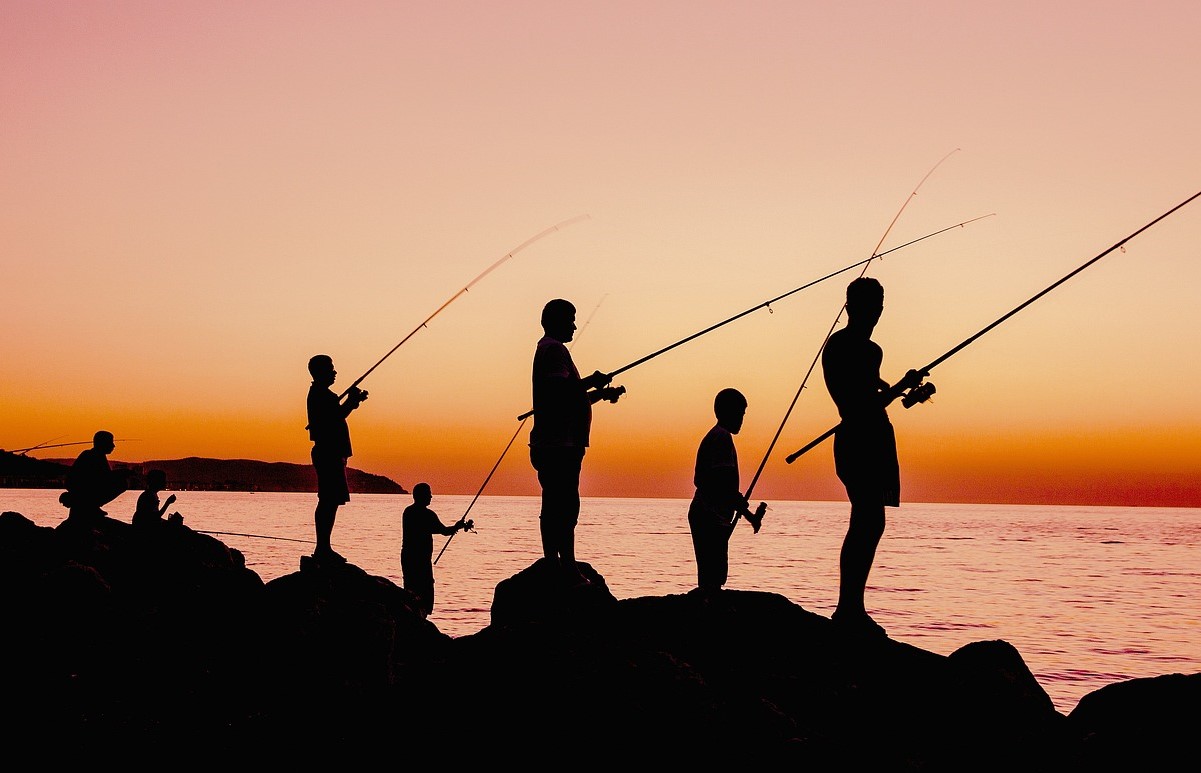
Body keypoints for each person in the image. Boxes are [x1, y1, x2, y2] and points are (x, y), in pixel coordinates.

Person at [821, 277, 926, 636]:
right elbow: (859, 403)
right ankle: (848, 608)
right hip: (861, 438)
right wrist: (896, 388)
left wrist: (896, 386)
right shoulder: (859, 348)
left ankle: (851, 606)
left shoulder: (851, 348)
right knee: (866, 520)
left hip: (868, 437)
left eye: (879, 304)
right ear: (851, 307)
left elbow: (868, 389)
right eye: (871, 304)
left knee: (870, 521)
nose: (876, 312)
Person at [529, 298, 624, 585]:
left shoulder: (548, 349)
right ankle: (566, 565)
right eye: (570, 319)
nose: (574, 325)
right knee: (565, 504)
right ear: (555, 321)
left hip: (555, 442)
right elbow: (560, 391)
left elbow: (567, 398)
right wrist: (591, 381)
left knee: (555, 501)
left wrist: (600, 395)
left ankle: (553, 562)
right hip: (559, 444)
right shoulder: (554, 350)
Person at [688, 388, 767, 596]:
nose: (741, 419)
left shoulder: (717, 436)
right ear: (726, 412)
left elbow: (717, 484)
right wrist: (748, 513)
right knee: (713, 575)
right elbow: (721, 483)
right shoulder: (721, 438)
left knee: (711, 574)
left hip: (710, 515)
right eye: (739, 413)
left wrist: (749, 516)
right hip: (709, 516)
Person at [306, 354, 368, 565]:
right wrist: (352, 401)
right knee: (328, 501)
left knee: (330, 501)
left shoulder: (323, 395)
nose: (335, 372)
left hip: (330, 453)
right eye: (331, 369)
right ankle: (323, 548)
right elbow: (335, 417)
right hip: (327, 453)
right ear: (320, 372)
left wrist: (352, 402)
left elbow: (337, 415)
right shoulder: (321, 396)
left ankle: (324, 547)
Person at [401, 483, 473, 618]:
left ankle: (413, 618)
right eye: (428, 493)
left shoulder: (408, 512)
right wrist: (457, 526)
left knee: (411, 588)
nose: (431, 496)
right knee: (425, 589)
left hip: (408, 556)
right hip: (420, 559)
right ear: (421, 496)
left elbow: (439, 530)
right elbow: (444, 531)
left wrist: (456, 527)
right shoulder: (427, 514)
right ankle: (420, 620)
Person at [60, 430, 132, 526]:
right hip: (82, 491)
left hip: (83, 491)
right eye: (111, 442)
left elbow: (104, 476)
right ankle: (92, 507)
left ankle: (93, 507)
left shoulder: (95, 455)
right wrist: (122, 473)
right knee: (122, 483)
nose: (113, 446)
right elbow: (103, 478)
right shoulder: (92, 456)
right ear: (102, 443)